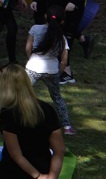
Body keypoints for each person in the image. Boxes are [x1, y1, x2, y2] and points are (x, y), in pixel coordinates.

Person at [0, 60, 66, 179]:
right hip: (45, 174)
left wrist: (39, 177)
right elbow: (59, 151)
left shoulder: (9, 113)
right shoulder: (47, 109)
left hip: (15, 178)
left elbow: (16, 155)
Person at [25, 7, 74, 135]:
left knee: (23, 94)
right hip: (52, 70)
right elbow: (64, 61)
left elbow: (28, 48)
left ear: (45, 16)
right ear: (62, 21)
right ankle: (67, 126)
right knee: (57, 97)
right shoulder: (62, 38)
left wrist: (31, 59)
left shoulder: (35, 28)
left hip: (33, 67)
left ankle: (20, 120)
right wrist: (58, 73)